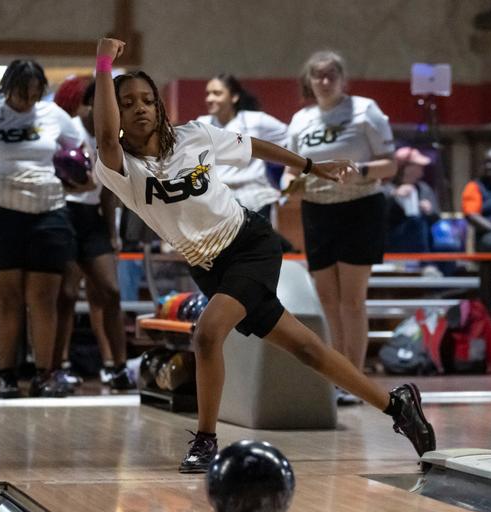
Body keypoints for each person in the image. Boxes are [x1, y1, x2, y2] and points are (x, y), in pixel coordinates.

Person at [92, 38, 435, 473]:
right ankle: (397, 405)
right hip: (207, 267)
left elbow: (254, 146)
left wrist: (313, 165)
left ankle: (205, 439)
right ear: (115, 114)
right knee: (307, 349)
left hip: (250, 243)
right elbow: (104, 136)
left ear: (159, 105)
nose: (139, 108)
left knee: (207, 335)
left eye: (146, 99)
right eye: (127, 103)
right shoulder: (118, 166)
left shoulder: (195, 134)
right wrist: (103, 64)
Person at [0, 60, 89, 397]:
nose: (27, 101)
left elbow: (81, 159)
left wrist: (75, 182)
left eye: (33, 94)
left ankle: (44, 374)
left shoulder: (54, 116)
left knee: (44, 299)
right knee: (7, 299)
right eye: (20, 94)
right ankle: (7, 375)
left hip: (48, 213)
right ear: (6, 89)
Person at [282, 50, 396, 378]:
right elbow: (290, 170)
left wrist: (360, 170)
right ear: (309, 81)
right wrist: (288, 186)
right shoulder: (301, 120)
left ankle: (354, 376)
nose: (325, 81)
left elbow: (390, 164)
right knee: (327, 300)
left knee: (352, 300)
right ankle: (336, 373)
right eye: (318, 75)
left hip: (359, 207)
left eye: (332, 74)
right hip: (317, 210)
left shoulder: (364, 110)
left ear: (343, 78)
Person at [53, 78, 132, 388]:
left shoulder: (109, 136)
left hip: (92, 218)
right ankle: (59, 365)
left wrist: (112, 231)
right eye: (97, 104)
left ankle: (118, 367)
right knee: (67, 295)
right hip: (63, 212)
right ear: (85, 104)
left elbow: (108, 190)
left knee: (111, 291)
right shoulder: (68, 129)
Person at [197, 74, 287, 218]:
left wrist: (287, 172)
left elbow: (292, 136)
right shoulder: (202, 124)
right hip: (219, 202)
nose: (209, 99)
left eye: (217, 93)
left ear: (234, 97)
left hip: (256, 199)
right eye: (208, 94)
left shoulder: (256, 120)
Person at [385, 146, 440, 253]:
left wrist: (429, 211)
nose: (421, 170)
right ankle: (426, 264)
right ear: (404, 168)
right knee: (415, 222)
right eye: (418, 166)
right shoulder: (386, 188)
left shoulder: (423, 189)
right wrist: (393, 196)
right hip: (392, 242)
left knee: (418, 222)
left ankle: (426, 262)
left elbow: (436, 216)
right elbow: (378, 217)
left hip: (421, 241)